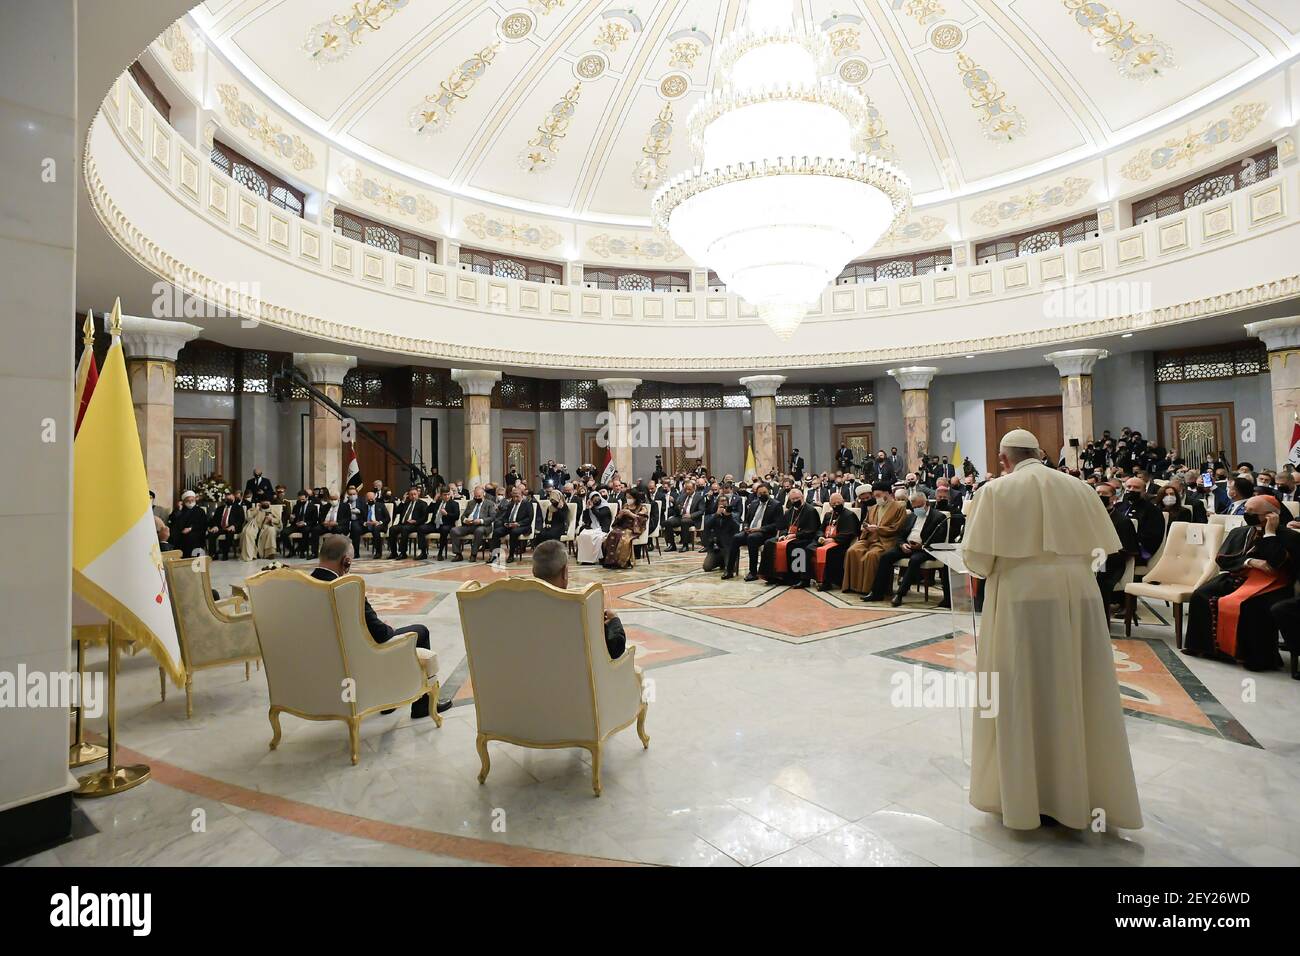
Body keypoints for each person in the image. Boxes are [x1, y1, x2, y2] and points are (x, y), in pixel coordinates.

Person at [962, 428, 1141, 832]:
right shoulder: (1080, 489)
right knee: (1078, 686)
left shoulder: (996, 491)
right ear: (1037, 453)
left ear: (1004, 458)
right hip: (1080, 595)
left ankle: (1028, 797)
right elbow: (1105, 549)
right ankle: (1080, 794)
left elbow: (979, 559)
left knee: (1021, 690)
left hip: (1020, 599)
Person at [311, 535, 451, 718]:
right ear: (346, 562)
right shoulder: (348, 589)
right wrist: (387, 627)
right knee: (420, 631)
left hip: (323, 657)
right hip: (357, 657)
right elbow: (381, 635)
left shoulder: (304, 585)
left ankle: (388, 699)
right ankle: (422, 705)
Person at [1183, 495, 1299, 671]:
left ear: (1271, 515)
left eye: (1253, 512)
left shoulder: (1290, 536)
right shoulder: (1240, 532)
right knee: (1201, 594)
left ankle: (1254, 657)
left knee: (1253, 605)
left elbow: (1277, 562)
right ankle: (1205, 648)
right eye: (1246, 510)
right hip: (1239, 575)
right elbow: (1222, 559)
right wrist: (1250, 562)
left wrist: (1269, 533)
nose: (1247, 514)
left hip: (1273, 583)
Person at [531, 540, 627, 660]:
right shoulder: (580, 609)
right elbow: (615, 648)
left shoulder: (521, 607)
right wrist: (614, 622)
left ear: (534, 572)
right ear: (565, 573)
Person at [882, 491, 955, 608]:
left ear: (926, 503)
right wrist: (902, 545)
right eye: (914, 507)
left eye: (919, 507)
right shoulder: (911, 516)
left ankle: (900, 594)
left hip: (926, 550)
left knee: (915, 560)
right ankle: (878, 591)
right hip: (908, 546)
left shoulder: (939, 517)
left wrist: (921, 546)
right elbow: (900, 535)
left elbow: (938, 540)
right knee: (886, 556)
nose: (916, 509)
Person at [843, 481, 906, 599]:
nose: (876, 498)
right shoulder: (873, 508)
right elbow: (866, 522)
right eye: (875, 496)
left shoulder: (899, 507)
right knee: (852, 550)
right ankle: (853, 586)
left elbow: (897, 528)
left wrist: (878, 529)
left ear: (887, 493)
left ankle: (870, 589)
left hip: (886, 540)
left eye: (878, 495)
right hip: (870, 538)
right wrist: (865, 527)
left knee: (872, 555)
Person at [758, 488, 820, 586]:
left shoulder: (810, 510)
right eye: (792, 499)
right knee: (769, 543)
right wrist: (783, 535)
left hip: (804, 538)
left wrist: (795, 535)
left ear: (802, 497)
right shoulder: (789, 512)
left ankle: (795, 579)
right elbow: (782, 527)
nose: (795, 501)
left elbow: (812, 530)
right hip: (788, 537)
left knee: (794, 547)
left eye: (797, 498)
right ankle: (773, 576)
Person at [1095, 483, 1141, 613]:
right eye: (1097, 493)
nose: (1100, 496)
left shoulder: (1122, 521)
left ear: (1113, 498)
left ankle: (1099, 617)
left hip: (1111, 562)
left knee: (1099, 580)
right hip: (1092, 558)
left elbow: (1128, 550)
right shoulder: (1089, 517)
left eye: (1104, 494)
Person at [726, 483, 780, 581]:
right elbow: (747, 520)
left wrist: (759, 529)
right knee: (736, 537)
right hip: (750, 531)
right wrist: (746, 527)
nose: (762, 494)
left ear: (769, 492)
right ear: (757, 494)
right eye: (760, 493)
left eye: (765, 492)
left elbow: (777, 524)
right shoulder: (754, 503)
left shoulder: (776, 504)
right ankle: (729, 570)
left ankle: (753, 572)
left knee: (752, 538)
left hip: (765, 533)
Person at [810, 493, 860, 592]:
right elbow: (820, 529)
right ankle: (812, 578)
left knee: (830, 553)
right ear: (830, 504)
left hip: (840, 543)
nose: (836, 505)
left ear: (843, 502)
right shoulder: (828, 515)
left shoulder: (849, 515)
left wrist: (834, 539)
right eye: (834, 503)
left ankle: (827, 582)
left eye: (838, 502)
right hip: (825, 541)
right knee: (809, 548)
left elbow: (850, 532)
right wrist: (821, 537)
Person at [600, 490, 649, 569]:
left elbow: (642, 519)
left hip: (633, 528)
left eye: (630, 498)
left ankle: (621, 562)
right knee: (612, 534)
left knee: (623, 537)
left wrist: (631, 514)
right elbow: (617, 519)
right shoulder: (625, 506)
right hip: (622, 526)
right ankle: (610, 561)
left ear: (635, 498)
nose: (628, 499)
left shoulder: (642, 507)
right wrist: (620, 515)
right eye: (627, 497)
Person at [448, 486, 497, 561]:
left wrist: (480, 520)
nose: (477, 498)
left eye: (479, 496)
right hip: (470, 524)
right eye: (475, 496)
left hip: (483, 526)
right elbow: (463, 515)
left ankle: (473, 554)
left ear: (483, 494)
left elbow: (493, 517)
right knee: (454, 531)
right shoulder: (471, 503)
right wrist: (465, 520)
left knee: (479, 531)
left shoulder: (489, 503)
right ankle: (458, 554)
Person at [489, 487, 534, 563]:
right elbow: (506, 516)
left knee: (514, 532)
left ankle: (511, 555)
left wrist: (518, 524)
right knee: (496, 532)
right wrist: (506, 523)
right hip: (510, 525)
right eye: (513, 497)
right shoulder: (510, 504)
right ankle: (495, 555)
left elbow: (529, 518)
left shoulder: (527, 504)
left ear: (522, 495)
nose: (515, 498)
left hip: (522, 526)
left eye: (517, 496)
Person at [387, 488, 428, 560]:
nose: (413, 496)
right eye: (411, 495)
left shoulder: (422, 504)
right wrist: (403, 500)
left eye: (415, 494)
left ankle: (403, 553)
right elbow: (397, 511)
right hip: (403, 524)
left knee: (404, 529)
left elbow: (425, 518)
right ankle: (393, 552)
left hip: (414, 525)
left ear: (418, 494)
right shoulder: (406, 503)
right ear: (408, 495)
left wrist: (415, 521)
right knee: (392, 529)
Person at [663, 480, 703, 552]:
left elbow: (701, 511)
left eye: (689, 489)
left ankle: (685, 545)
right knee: (667, 522)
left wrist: (690, 515)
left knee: (684, 521)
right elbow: (676, 509)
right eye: (686, 489)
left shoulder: (699, 497)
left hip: (693, 518)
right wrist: (677, 507)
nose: (687, 491)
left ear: (694, 488)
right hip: (681, 516)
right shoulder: (682, 496)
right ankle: (672, 545)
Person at [422, 487, 460, 561]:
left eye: (448, 494)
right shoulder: (437, 502)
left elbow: (456, 516)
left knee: (444, 530)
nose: (447, 496)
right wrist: (434, 500)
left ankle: (440, 553)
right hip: (434, 524)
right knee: (421, 528)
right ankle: (423, 552)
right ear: (441, 495)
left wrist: (447, 514)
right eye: (445, 495)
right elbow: (428, 510)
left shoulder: (454, 504)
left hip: (447, 525)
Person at [575, 492, 612, 564]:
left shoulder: (605, 508)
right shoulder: (591, 508)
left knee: (594, 537)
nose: (596, 501)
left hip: (603, 529)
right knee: (584, 535)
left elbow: (600, 516)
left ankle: (594, 558)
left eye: (597, 499)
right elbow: (585, 519)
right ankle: (586, 559)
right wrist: (587, 508)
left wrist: (592, 508)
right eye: (594, 500)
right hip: (593, 528)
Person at [206, 493, 244, 560]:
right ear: (225, 499)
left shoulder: (238, 508)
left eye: (231, 499)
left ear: (234, 499)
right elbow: (214, 519)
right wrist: (215, 526)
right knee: (212, 533)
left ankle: (225, 553)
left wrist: (234, 526)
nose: (229, 500)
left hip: (232, 527)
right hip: (220, 527)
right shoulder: (220, 508)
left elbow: (241, 519)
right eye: (227, 499)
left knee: (229, 532)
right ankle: (213, 554)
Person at [358, 490, 389, 558]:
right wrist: (365, 523)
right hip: (367, 526)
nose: (371, 500)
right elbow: (360, 519)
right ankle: (355, 552)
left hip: (378, 525)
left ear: (375, 498)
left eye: (372, 499)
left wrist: (379, 522)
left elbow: (387, 518)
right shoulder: (363, 507)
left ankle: (378, 552)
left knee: (376, 529)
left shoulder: (381, 505)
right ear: (366, 499)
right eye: (369, 499)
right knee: (355, 529)